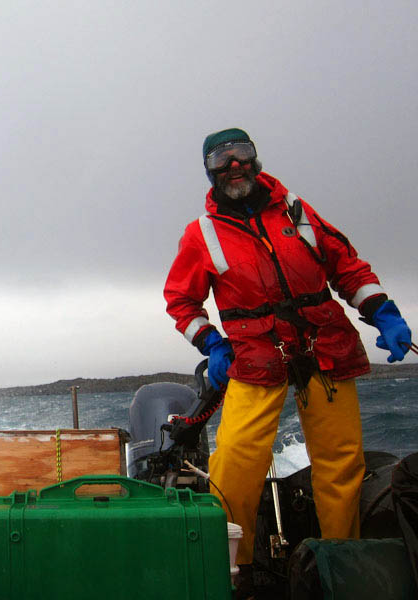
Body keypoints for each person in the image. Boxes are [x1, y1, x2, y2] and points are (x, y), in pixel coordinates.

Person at [163, 128, 413, 578]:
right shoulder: (201, 234)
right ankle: (232, 572)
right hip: (255, 357)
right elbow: (181, 301)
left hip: (326, 350)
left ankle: (343, 567)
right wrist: (211, 343)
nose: (234, 165)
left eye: (242, 153)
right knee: (235, 462)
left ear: (255, 158)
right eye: (222, 159)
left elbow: (347, 266)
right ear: (209, 171)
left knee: (341, 464)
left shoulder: (297, 211)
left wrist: (385, 314)